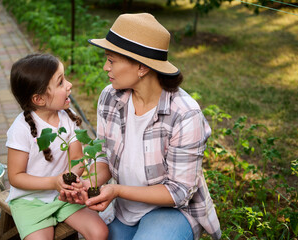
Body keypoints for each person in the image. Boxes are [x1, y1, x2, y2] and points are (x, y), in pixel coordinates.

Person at [60, 13, 221, 240]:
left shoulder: (185, 114)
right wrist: (85, 185)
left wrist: (116, 190)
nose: (106, 67)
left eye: (112, 60)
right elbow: (104, 158)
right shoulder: (110, 98)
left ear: (141, 67)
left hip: (172, 213)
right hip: (125, 210)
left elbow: (179, 192)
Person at [5, 53, 108, 240]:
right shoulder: (20, 129)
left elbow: (77, 160)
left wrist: (73, 183)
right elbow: (15, 177)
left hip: (63, 197)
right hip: (30, 201)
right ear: (39, 99)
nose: (69, 85)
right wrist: (53, 182)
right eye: (61, 82)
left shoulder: (68, 117)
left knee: (100, 232)